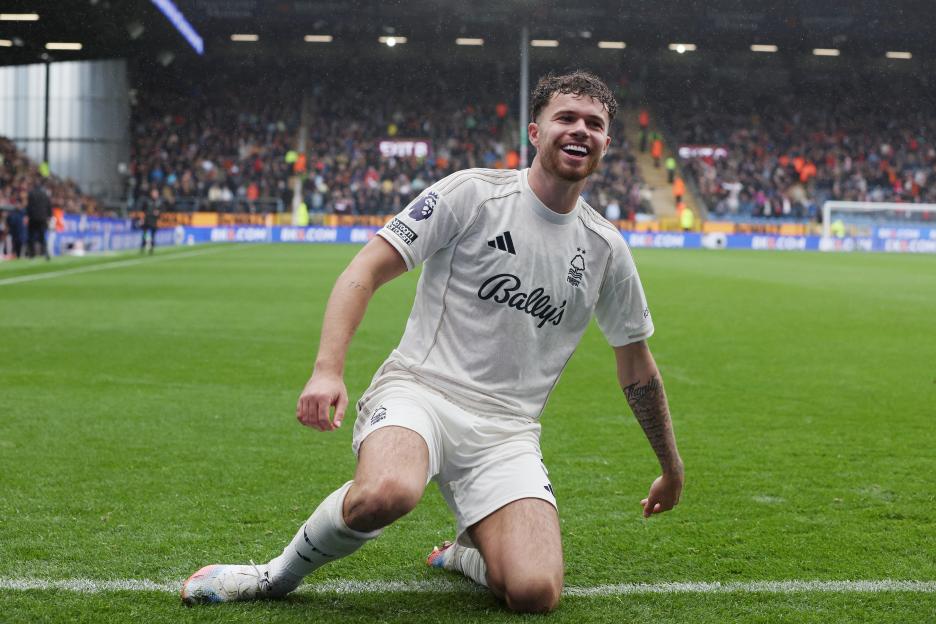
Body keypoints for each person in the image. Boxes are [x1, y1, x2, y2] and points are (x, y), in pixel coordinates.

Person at [180, 71, 684, 614]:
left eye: (595, 123)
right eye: (566, 118)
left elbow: (637, 366)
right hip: (420, 391)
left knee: (535, 593)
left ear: (607, 142)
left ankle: (465, 555)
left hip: (507, 430)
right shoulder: (472, 194)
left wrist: (671, 467)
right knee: (387, 492)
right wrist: (327, 369)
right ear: (534, 132)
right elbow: (365, 269)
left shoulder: (606, 249)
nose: (580, 130)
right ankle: (274, 576)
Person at [25, 181, 52, 260]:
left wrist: (27, 215)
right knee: (42, 236)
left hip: (33, 218)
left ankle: (31, 254)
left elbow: (29, 206)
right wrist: (49, 216)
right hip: (42, 218)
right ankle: (46, 253)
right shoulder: (45, 194)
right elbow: (48, 206)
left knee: (31, 236)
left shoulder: (31, 194)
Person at [140, 188, 161, 254]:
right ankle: (143, 246)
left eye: (156, 193)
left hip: (154, 221)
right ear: (151, 193)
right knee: (145, 234)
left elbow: (162, 211)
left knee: (153, 236)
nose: (155, 195)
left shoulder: (159, 202)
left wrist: (158, 213)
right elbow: (143, 210)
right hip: (147, 220)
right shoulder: (147, 201)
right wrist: (142, 218)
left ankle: (151, 248)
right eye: (154, 193)